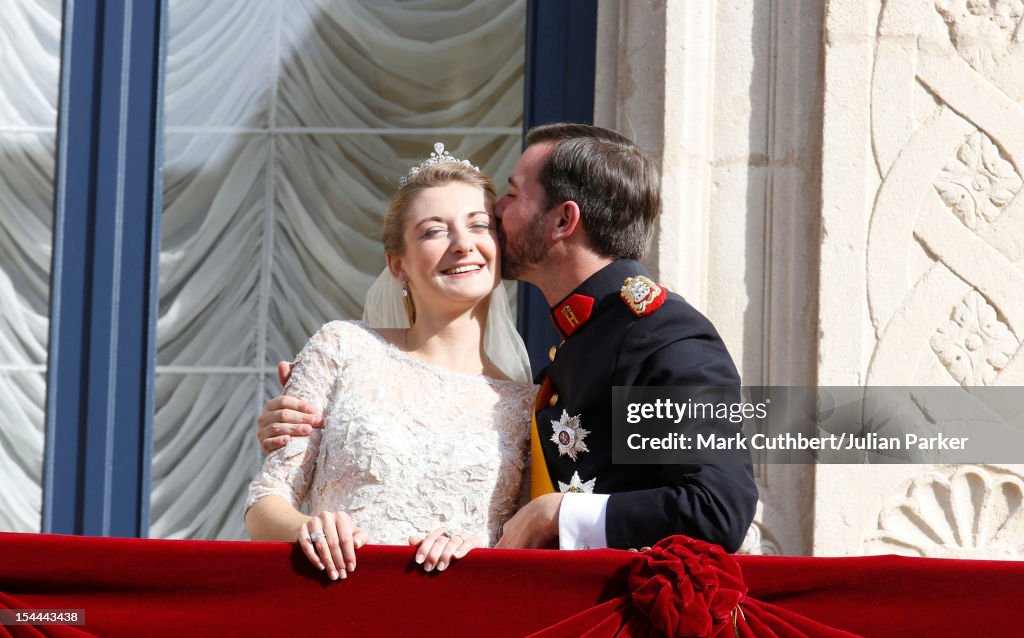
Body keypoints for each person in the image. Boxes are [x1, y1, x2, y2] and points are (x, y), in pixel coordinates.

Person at [258, 123, 758, 553]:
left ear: (563, 220)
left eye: (513, 196)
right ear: (398, 265)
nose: (495, 217)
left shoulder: (663, 333)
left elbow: (717, 506)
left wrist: (557, 515)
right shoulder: (560, 362)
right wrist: (319, 423)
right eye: (435, 230)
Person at [244, 151, 536, 581]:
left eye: (479, 225)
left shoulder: (527, 404)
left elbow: (529, 546)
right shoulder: (341, 347)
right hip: (333, 601)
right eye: (434, 231)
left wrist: (483, 550)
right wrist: (307, 528)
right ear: (397, 265)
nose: (462, 243)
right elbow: (266, 503)